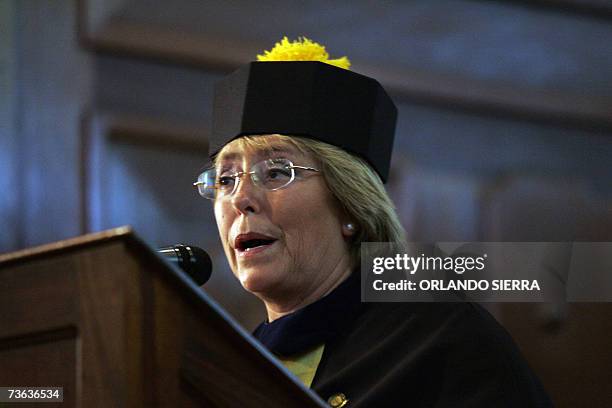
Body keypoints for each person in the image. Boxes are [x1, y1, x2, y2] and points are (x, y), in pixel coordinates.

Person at [195, 37, 552, 407]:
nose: (240, 198)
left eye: (276, 172)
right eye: (225, 179)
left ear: (350, 207)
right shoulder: (227, 368)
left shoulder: (441, 341)